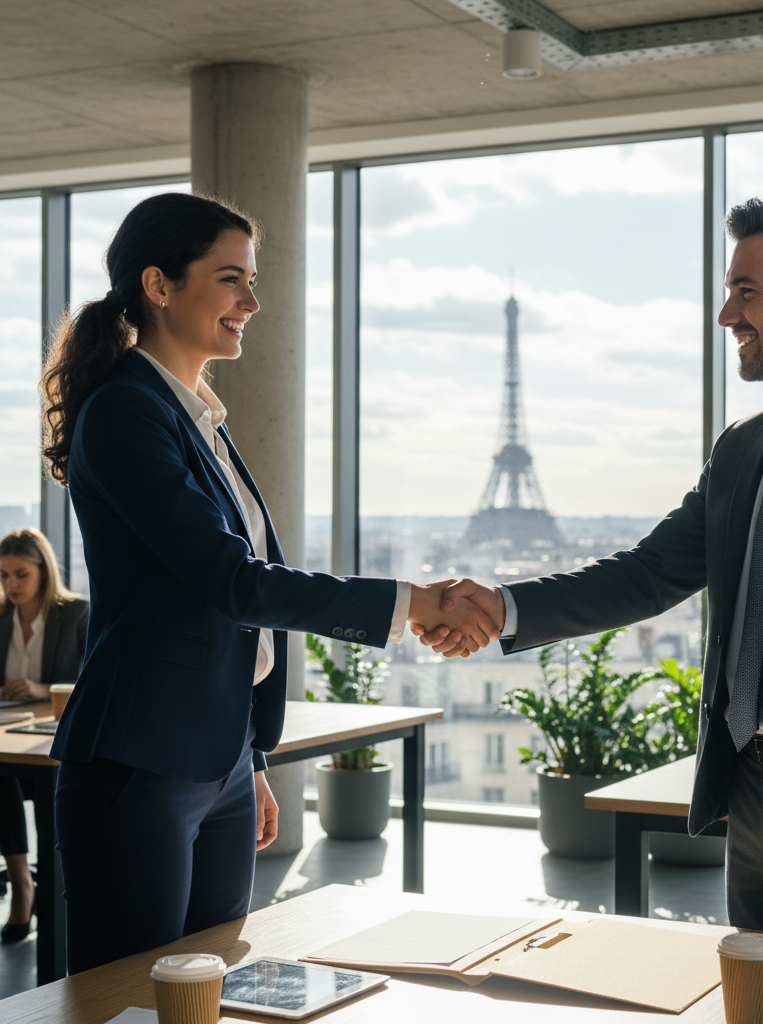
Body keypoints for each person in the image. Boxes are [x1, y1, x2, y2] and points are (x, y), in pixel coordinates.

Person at [417, 195, 763, 975]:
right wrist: (506, 607)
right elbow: (650, 573)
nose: (727, 315)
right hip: (749, 807)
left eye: (747, 291)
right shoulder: (743, 446)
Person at [39, 191, 497, 973]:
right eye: (230, 280)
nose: (252, 302)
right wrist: (411, 603)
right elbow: (234, 582)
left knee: (210, 987)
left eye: (252, 280)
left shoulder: (195, 418)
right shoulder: (125, 412)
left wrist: (245, 758)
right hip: (141, 760)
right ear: (159, 285)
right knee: (129, 999)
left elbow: (226, 615)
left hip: (213, 758)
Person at [0, 527, 88, 942]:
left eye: (21, 574)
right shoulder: (1, 619)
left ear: (43, 572)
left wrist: (39, 689)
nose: (11, 585)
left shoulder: (76, 614)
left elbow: (93, 680)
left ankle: (38, 892)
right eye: (3, 576)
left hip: (58, 740)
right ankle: (23, 883)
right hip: (10, 733)